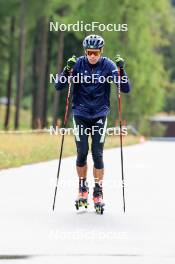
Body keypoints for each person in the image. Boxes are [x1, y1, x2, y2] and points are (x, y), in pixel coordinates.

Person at [55, 34, 131, 214]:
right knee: (82, 152)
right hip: (80, 114)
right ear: (85, 51)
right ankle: (82, 188)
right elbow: (59, 86)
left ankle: (98, 191)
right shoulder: (79, 64)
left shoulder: (108, 65)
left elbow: (125, 88)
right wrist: (67, 70)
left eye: (95, 52)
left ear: (101, 52)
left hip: (99, 115)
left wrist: (122, 70)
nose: (92, 56)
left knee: (97, 154)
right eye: (89, 52)